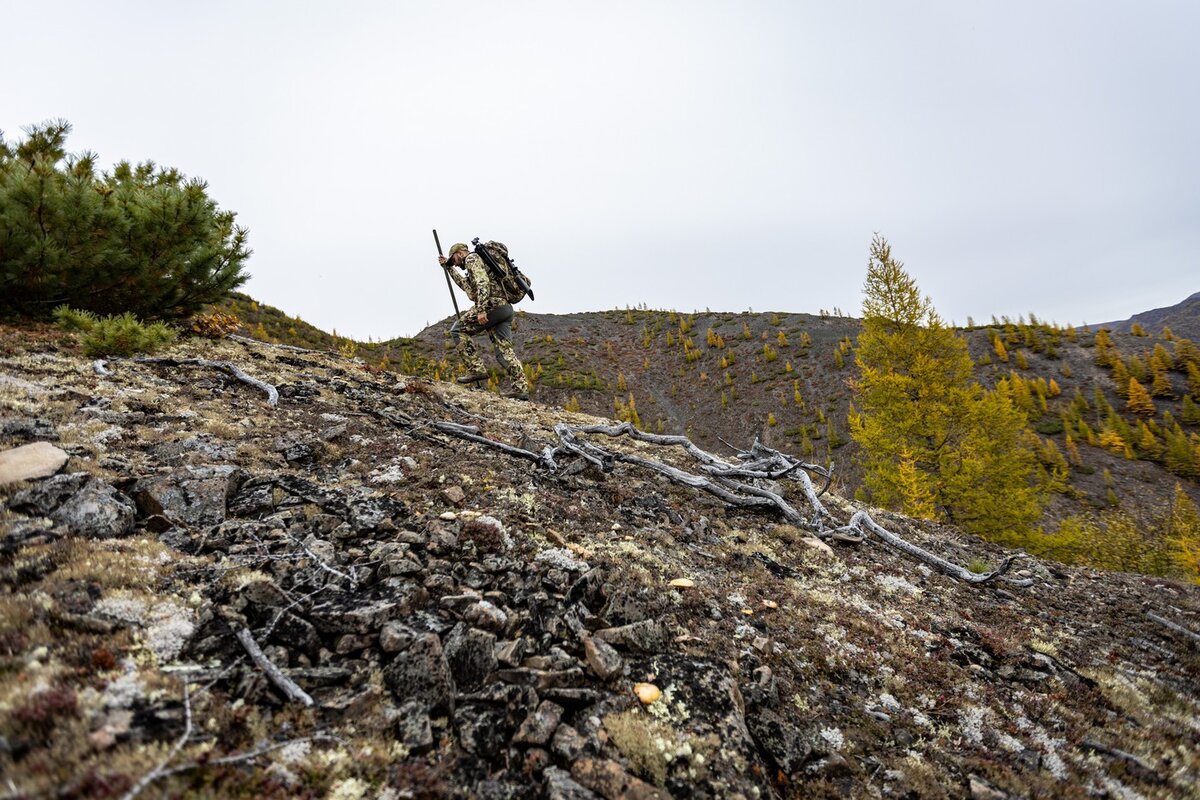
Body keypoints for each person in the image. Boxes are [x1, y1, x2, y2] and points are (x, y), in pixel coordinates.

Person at [438, 242, 530, 400]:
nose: (456, 264)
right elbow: (467, 287)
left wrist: (481, 310)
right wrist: (449, 268)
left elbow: (482, 283)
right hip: (505, 309)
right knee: (504, 352)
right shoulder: (479, 263)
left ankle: (476, 369)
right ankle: (520, 389)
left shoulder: (472, 259)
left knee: (457, 330)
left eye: (454, 260)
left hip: (491, 306)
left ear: (459, 253)